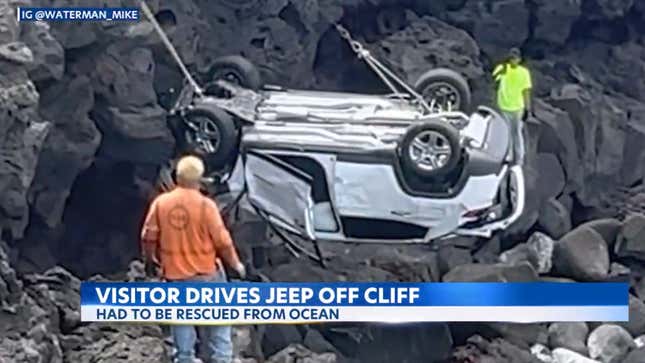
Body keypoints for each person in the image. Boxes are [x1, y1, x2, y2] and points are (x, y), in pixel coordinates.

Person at [140, 155, 246, 363]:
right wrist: (236, 264)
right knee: (218, 325)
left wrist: (149, 260)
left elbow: (148, 236)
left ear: (177, 177)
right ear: (199, 179)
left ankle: (185, 358)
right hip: (207, 275)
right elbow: (222, 241)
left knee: (182, 324)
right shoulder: (206, 206)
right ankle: (222, 359)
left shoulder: (161, 203)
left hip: (176, 276)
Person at [492, 47, 534, 165]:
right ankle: (508, 155)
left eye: (515, 58)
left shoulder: (524, 72)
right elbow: (494, 82)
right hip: (504, 105)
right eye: (511, 58)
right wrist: (501, 71)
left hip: (518, 107)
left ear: (519, 59)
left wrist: (527, 108)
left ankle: (520, 158)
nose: (513, 60)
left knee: (517, 133)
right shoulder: (502, 68)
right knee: (506, 132)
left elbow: (526, 91)